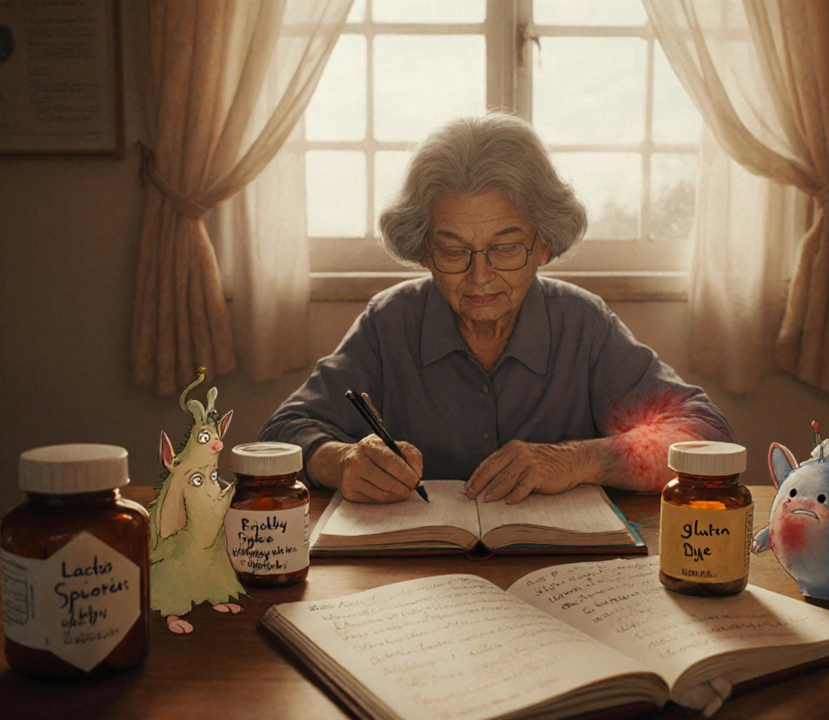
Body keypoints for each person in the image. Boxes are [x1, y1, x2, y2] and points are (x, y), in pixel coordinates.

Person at [260, 113, 731, 504]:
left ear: (544, 245)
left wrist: (576, 459)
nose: (480, 277)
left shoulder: (581, 324)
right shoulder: (391, 321)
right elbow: (281, 433)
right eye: (453, 250)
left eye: (506, 249)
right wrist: (338, 460)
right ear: (423, 252)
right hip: (417, 577)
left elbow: (705, 434)